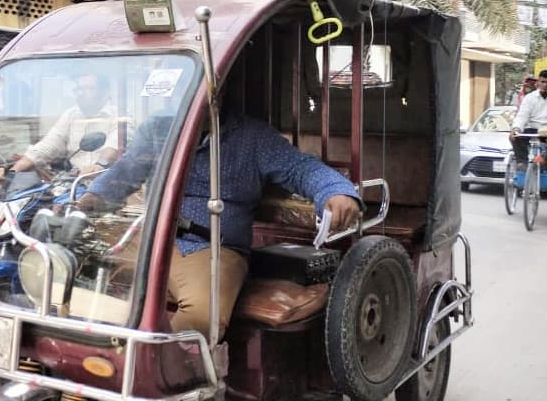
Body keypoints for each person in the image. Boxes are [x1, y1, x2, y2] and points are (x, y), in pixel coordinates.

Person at [77, 110, 361, 339]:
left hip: (212, 248)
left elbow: (299, 168)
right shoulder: (157, 129)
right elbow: (126, 171)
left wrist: (336, 191)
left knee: (201, 314)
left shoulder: (252, 137)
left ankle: (170, 387)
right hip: (152, 239)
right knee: (79, 276)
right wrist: (91, 198)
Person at [0, 73, 121, 181]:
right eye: (78, 89)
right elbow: (50, 144)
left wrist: (99, 165)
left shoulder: (120, 116)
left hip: (109, 183)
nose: (81, 93)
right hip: (75, 183)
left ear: (104, 91)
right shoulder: (71, 115)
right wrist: (13, 171)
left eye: (88, 88)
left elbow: (114, 146)